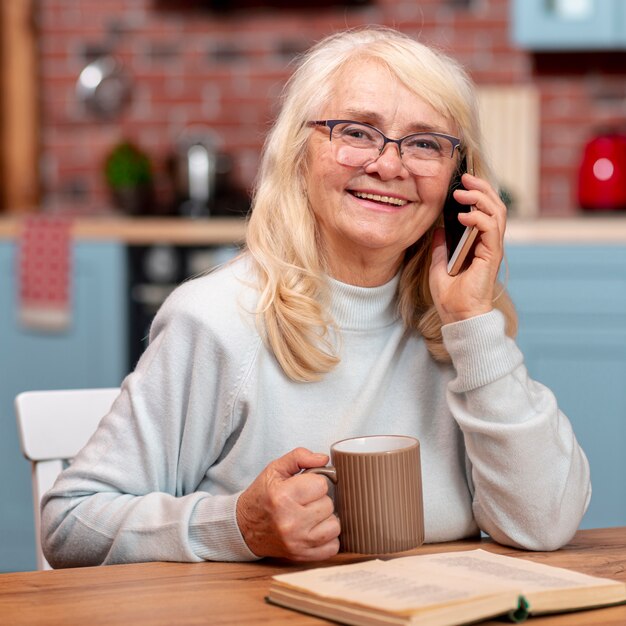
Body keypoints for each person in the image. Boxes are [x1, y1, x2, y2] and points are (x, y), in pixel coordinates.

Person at [41, 26, 591, 568]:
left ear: (458, 183)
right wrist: (237, 526)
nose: (390, 165)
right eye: (357, 131)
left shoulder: (460, 332)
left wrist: (470, 318)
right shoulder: (215, 320)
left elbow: (541, 524)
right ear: (300, 152)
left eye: (425, 143)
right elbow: (70, 522)